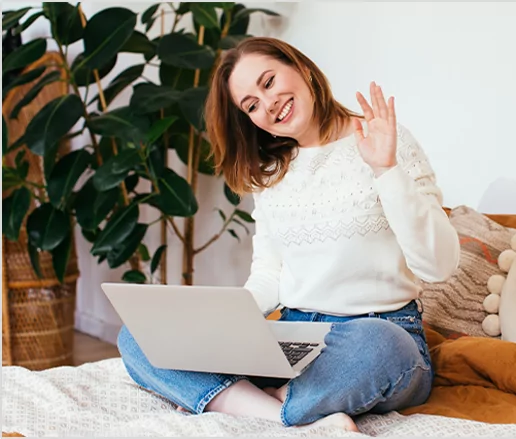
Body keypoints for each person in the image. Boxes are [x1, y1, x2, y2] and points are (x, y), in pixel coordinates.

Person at [117, 37, 460, 432]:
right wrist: (224, 322)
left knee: (382, 346)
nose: (268, 104)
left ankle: (235, 401)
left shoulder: (382, 141)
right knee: (137, 336)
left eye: (268, 82)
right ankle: (284, 413)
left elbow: (439, 265)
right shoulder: (271, 173)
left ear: (300, 67)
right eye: (251, 105)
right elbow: (269, 274)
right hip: (292, 333)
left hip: (379, 333)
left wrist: (386, 169)